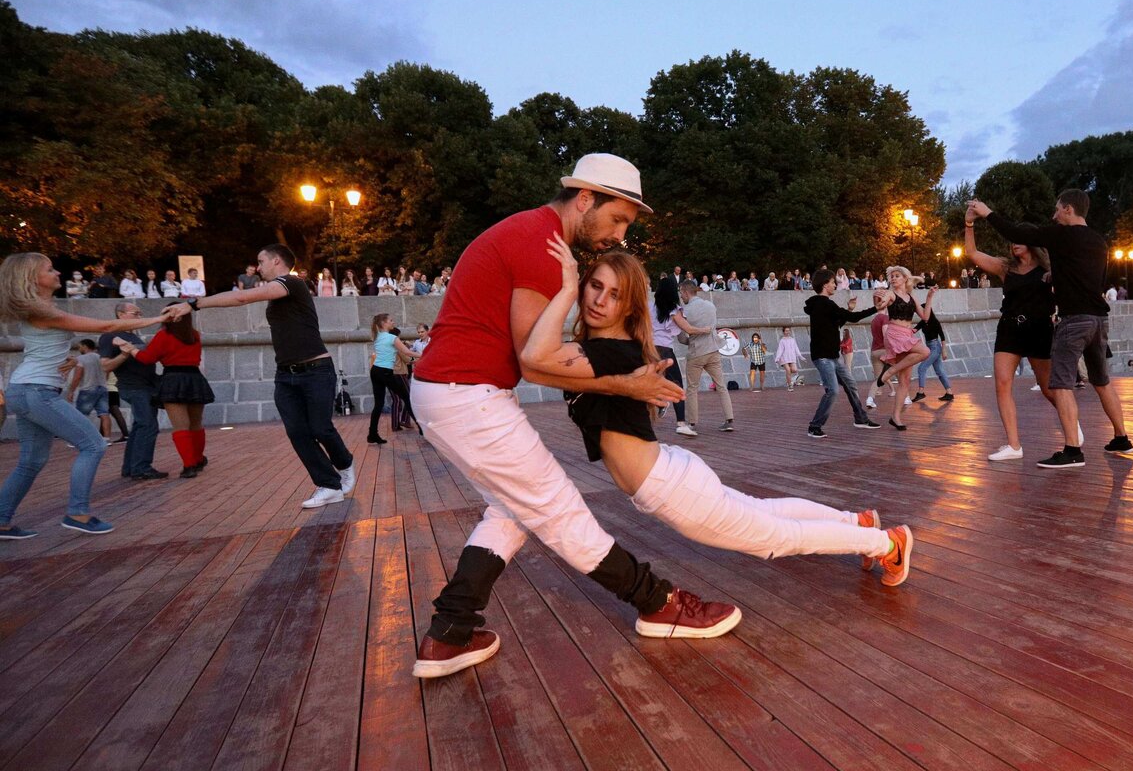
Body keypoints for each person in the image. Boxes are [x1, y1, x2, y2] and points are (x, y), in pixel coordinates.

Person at [408, 153, 737, 679]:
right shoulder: (543, 248)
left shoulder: (531, 233)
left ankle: (449, 633)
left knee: (512, 508)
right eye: (618, 219)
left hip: (450, 392)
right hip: (466, 395)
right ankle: (659, 603)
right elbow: (534, 363)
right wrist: (627, 383)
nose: (619, 235)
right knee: (558, 509)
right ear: (585, 198)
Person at [523, 243, 913, 583]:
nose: (599, 300)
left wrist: (567, 289)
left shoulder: (607, 351)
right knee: (766, 513)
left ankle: (885, 544)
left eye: (613, 294)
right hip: (672, 472)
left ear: (627, 306)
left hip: (670, 488)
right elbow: (538, 362)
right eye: (595, 286)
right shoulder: (601, 349)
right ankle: (856, 523)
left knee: (777, 539)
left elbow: (533, 358)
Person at [161, 245, 356, 504]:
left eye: (261, 261)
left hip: (316, 371)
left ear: (277, 261)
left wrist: (193, 305)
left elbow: (242, 298)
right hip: (285, 375)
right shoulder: (278, 292)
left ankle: (344, 463)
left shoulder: (292, 282)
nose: (258, 266)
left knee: (320, 427)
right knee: (297, 432)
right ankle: (328, 485)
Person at [0, 253, 167, 539]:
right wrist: (161, 317)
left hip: (27, 389)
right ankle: (78, 513)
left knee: (31, 461)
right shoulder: (44, 311)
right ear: (31, 279)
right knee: (93, 445)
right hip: (35, 391)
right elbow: (107, 326)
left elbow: (39, 349)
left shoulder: (42, 309)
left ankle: (2, 520)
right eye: (49, 269)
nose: (57, 273)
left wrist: (66, 361)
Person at [969, 192, 1133, 467]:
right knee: (1101, 381)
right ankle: (1121, 438)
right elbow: (1096, 279)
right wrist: (1056, 276)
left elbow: (1014, 230)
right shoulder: (1098, 241)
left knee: (1060, 385)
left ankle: (1072, 450)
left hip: (1075, 321)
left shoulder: (1062, 235)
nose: (1054, 216)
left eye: (1057, 210)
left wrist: (987, 213)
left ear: (1068, 209)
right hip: (1099, 319)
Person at [963, 221, 1059, 460]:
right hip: (1010, 328)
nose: (1014, 243)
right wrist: (969, 223)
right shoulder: (1006, 267)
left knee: (1048, 388)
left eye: (1019, 239)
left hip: (1039, 329)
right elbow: (971, 253)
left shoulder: (1049, 268)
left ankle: (1070, 422)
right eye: (1012, 240)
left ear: (1032, 243)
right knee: (1002, 384)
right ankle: (1014, 446)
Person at [115, 311, 215, 478]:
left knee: (180, 426)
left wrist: (130, 349)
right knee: (196, 424)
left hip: (173, 379)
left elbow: (148, 358)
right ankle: (198, 460)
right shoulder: (194, 335)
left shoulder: (164, 335)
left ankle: (189, 466)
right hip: (195, 378)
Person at [803, 269, 880, 437]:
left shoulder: (820, 305)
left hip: (832, 356)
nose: (834, 285)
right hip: (824, 357)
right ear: (824, 285)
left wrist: (849, 309)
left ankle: (860, 418)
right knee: (833, 390)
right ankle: (814, 426)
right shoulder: (825, 304)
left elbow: (835, 324)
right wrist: (876, 308)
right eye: (832, 282)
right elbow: (854, 318)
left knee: (850, 385)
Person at [99, 302, 167, 480]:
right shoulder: (110, 336)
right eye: (135, 313)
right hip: (134, 387)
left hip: (146, 386)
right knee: (148, 425)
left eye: (139, 313)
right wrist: (124, 354)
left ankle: (130, 467)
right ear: (121, 315)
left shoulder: (133, 336)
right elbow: (104, 366)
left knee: (140, 426)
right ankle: (141, 467)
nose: (139, 316)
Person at [875, 268, 935, 430]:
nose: (893, 279)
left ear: (905, 279)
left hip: (907, 334)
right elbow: (881, 304)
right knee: (925, 352)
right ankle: (889, 371)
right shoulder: (891, 294)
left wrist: (929, 298)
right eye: (891, 277)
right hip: (895, 333)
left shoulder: (911, 297)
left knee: (905, 381)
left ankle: (895, 417)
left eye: (897, 276)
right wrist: (878, 301)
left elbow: (925, 317)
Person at [677, 278, 735, 434]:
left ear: (685, 292)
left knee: (692, 388)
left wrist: (689, 341)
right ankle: (729, 420)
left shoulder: (685, 311)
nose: (681, 296)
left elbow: (682, 337)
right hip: (713, 349)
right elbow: (713, 327)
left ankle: (692, 423)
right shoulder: (710, 306)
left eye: (681, 293)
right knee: (721, 386)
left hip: (696, 352)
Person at [365, 314, 421, 444]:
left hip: (376, 371)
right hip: (385, 372)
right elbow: (407, 353)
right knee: (406, 398)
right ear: (384, 323)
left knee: (378, 404)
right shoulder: (392, 337)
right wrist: (424, 354)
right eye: (391, 320)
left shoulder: (377, 337)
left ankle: (372, 434)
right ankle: (422, 429)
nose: (393, 322)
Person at [650, 277, 689, 434]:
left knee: (653, 382)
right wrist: (705, 330)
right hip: (665, 351)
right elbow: (687, 328)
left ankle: (659, 406)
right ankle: (681, 423)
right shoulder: (673, 309)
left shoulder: (649, 306)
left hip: (650, 350)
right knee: (677, 386)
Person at [65, 339, 112, 440]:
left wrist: (71, 391)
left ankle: (80, 438)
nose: (79, 348)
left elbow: (77, 376)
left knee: (81, 415)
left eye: (80, 346)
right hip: (102, 387)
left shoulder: (81, 359)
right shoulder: (101, 357)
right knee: (104, 414)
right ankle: (107, 438)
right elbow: (107, 371)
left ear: (85, 346)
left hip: (88, 388)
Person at [912, 309, 953, 403]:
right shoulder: (923, 322)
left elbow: (942, 338)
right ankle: (949, 393)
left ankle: (921, 392)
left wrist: (944, 351)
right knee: (939, 371)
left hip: (935, 347)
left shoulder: (935, 322)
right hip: (929, 347)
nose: (920, 314)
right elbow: (914, 330)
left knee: (922, 368)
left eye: (921, 311)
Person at [775, 326, 802, 390]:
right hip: (784, 358)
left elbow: (796, 348)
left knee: (794, 370)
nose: (787, 332)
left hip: (792, 357)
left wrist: (800, 356)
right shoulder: (782, 341)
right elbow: (780, 350)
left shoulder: (792, 339)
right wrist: (777, 358)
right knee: (788, 370)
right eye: (786, 331)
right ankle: (790, 385)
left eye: (788, 330)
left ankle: (791, 379)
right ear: (783, 332)